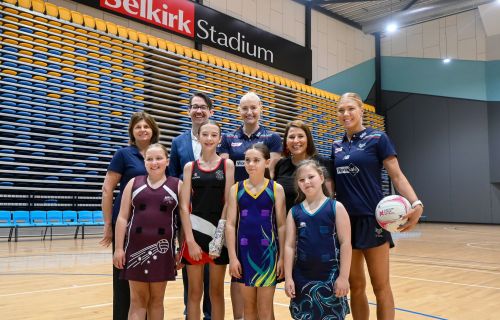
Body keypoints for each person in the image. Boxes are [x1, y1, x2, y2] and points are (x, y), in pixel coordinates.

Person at [331, 92, 424, 320]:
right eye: (341, 110)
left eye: (350, 108)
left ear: (361, 110)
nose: (346, 114)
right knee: (356, 285)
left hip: (374, 220)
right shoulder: (336, 146)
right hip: (346, 223)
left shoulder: (378, 138)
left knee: (380, 286)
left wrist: (416, 203)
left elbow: (397, 176)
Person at [218, 91, 282, 318]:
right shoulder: (227, 139)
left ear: (261, 109)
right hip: (237, 207)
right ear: (238, 111)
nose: (249, 112)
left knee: (265, 300)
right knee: (240, 280)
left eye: (253, 107)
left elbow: (271, 173)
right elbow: (227, 176)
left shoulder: (272, 138)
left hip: (262, 209)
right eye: (244, 108)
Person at [100, 111, 160, 320]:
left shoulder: (158, 155)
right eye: (138, 127)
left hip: (153, 227)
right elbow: (107, 189)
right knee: (124, 280)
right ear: (132, 132)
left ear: (153, 130)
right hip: (126, 226)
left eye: (146, 126)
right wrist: (108, 223)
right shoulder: (123, 155)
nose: (143, 130)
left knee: (149, 280)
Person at [113, 143, 181, 320]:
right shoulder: (133, 183)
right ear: (144, 162)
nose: (154, 162)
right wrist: (119, 249)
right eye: (149, 159)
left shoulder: (177, 185)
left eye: (159, 158)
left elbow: (184, 222)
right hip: (136, 249)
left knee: (157, 300)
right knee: (137, 300)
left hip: (164, 250)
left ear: (167, 161)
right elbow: (122, 218)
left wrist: (181, 250)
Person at [179, 120, 235, 320]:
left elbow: (229, 202)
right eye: (205, 135)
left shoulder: (227, 165)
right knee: (194, 293)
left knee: (216, 293)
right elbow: (184, 206)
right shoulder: (189, 167)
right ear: (198, 137)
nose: (209, 139)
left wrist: (220, 237)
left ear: (219, 139)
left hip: (217, 235)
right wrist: (190, 241)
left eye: (213, 135)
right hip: (195, 234)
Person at [225, 143, 286, 320]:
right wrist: (232, 257)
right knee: (248, 308)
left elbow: (281, 225)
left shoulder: (276, 189)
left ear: (267, 162)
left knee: (265, 309)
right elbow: (230, 224)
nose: (251, 164)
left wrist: (281, 257)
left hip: (267, 254)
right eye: (247, 160)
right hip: (244, 254)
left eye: (256, 160)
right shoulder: (236, 189)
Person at [284, 160, 351, 320]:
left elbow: (345, 244)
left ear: (321, 177)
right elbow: (289, 246)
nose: (306, 182)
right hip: (302, 278)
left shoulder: (336, 207)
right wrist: (288, 278)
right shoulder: (294, 212)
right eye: (301, 180)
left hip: (330, 276)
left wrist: (343, 277)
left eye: (311, 177)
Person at [169, 92, 214, 320]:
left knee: (212, 266)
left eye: (203, 107)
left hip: (212, 214)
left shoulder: (218, 139)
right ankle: (192, 310)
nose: (198, 110)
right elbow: (173, 175)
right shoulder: (178, 142)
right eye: (194, 107)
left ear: (210, 112)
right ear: (189, 111)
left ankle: (210, 312)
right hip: (187, 213)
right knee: (190, 263)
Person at [273, 120, 334, 213]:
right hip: (286, 223)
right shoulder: (281, 165)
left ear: (308, 139)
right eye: (291, 137)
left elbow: (329, 199)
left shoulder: (323, 163)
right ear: (286, 141)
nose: (296, 141)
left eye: (300, 136)